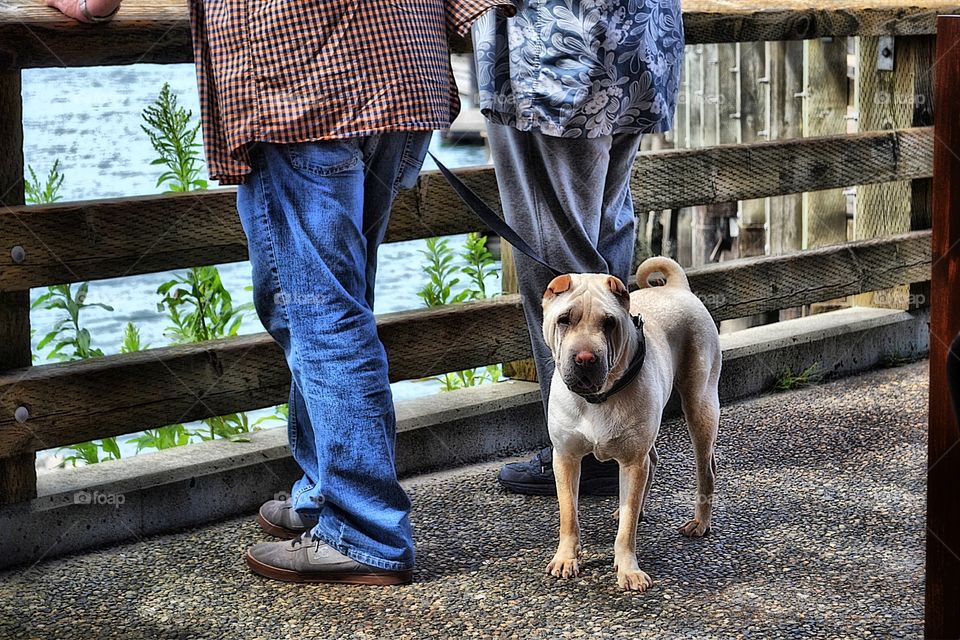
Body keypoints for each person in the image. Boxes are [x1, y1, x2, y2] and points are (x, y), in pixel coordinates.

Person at [49, 0, 515, 585]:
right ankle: (324, 493)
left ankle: (366, 533)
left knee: (321, 314)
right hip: (401, 65)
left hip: (300, 78)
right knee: (336, 301)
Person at [473, 1, 684, 496]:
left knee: (556, 259)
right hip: (637, 42)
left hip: (553, 53)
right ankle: (625, 431)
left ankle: (585, 447)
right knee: (607, 233)